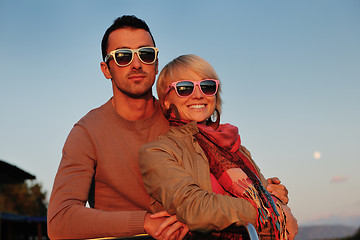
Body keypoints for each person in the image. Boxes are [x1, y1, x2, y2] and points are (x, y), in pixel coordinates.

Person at [47, 15, 289, 240]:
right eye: (122, 56)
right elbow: (60, 219)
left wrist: (264, 191)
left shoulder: (183, 118)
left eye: (145, 54)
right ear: (106, 69)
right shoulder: (87, 132)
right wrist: (143, 222)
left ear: (156, 63)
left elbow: (217, 179)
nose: (136, 64)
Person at [139, 54, 298, 240]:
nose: (198, 95)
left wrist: (276, 199)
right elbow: (195, 208)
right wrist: (271, 209)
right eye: (184, 88)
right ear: (165, 100)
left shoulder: (234, 146)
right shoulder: (158, 151)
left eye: (207, 87)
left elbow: (270, 200)